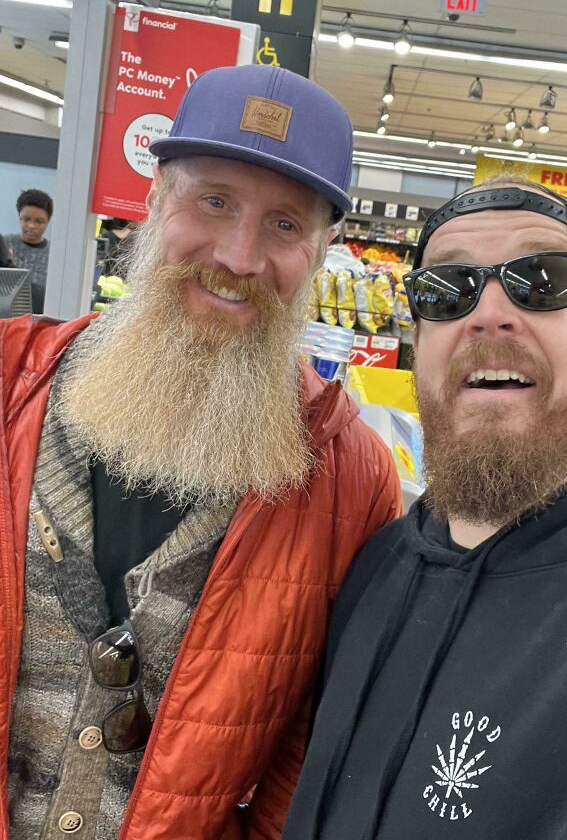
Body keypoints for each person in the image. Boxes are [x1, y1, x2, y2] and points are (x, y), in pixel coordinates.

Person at [0, 65, 402, 839]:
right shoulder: (9, 383)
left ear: (321, 252)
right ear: (153, 201)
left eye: (286, 225)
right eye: (213, 201)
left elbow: (309, 750)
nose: (241, 256)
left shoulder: (350, 479)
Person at [283, 178, 567, 840]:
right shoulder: (376, 568)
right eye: (447, 289)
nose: (488, 314)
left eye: (544, 278)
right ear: (420, 345)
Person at [6, 188, 53, 312]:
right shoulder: (4, 245)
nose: (32, 226)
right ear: (19, 217)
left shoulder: (54, 255)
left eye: (39, 221)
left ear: (48, 221)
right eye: (26, 219)